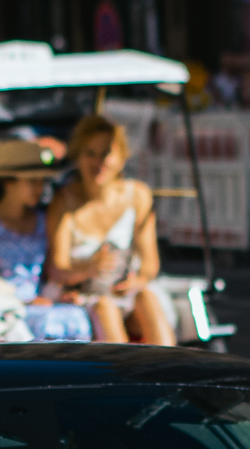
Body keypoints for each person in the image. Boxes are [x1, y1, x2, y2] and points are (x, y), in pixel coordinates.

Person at [47, 115, 174, 345]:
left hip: (124, 289)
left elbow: (149, 264)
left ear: (122, 158)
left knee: (148, 299)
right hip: (83, 292)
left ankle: (172, 370)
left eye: (106, 153)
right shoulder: (65, 201)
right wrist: (90, 268)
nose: (99, 163)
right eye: (90, 153)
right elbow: (57, 268)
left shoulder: (137, 195)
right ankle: (125, 376)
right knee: (106, 308)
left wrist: (137, 281)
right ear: (78, 157)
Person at [0, 140, 91, 341]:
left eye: (42, 181)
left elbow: (49, 273)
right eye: (32, 181)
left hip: (42, 303)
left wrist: (57, 296)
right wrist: (21, 302)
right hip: (4, 311)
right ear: (8, 182)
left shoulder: (43, 219)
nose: (40, 188)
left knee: (76, 318)